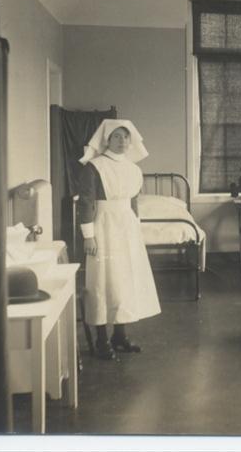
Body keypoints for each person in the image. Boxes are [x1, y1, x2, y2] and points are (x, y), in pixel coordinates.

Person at [78, 119, 161, 360]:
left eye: (126, 137)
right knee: (104, 281)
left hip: (126, 228)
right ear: (107, 140)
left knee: (124, 280)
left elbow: (133, 202)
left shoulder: (133, 169)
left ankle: (120, 336)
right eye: (117, 137)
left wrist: (135, 227)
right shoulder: (94, 167)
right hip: (103, 226)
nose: (122, 141)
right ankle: (102, 339)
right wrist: (88, 237)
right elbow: (85, 202)